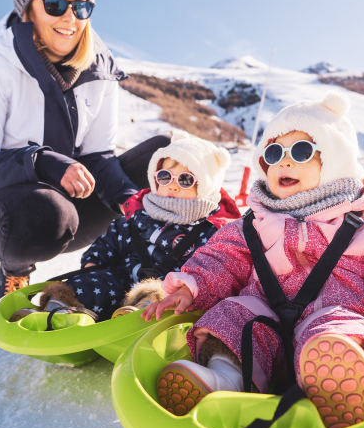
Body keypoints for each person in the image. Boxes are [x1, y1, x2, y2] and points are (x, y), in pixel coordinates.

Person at [142, 91, 364, 428]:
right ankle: (225, 380)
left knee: (337, 330)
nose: (284, 162)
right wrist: (192, 285)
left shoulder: (361, 222)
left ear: (335, 157)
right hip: (266, 328)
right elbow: (219, 259)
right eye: (274, 153)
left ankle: (339, 384)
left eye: (302, 151)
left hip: (333, 317)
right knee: (233, 316)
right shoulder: (252, 225)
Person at [0, 0, 170, 299]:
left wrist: (130, 201)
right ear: (28, 8)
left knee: (163, 158)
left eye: (81, 6)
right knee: (47, 208)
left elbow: (98, 155)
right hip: (1, 216)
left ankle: (140, 270)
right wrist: (42, 162)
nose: (70, 18)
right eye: (55, 4)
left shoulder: (100, 69)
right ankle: (16, 271)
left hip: (74, 207)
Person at [26, 132, 240, 321]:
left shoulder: (212, 231)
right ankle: (59, 311)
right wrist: (92, 266)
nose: (173, 185)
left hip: (167, 293)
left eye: (185, 179)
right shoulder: (138, 216)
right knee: (86, 284)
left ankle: (137, 317)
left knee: (157, 295)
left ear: (205, 185)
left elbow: (213, 269)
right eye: (165, 176)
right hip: (121, 283)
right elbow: (107, 244)